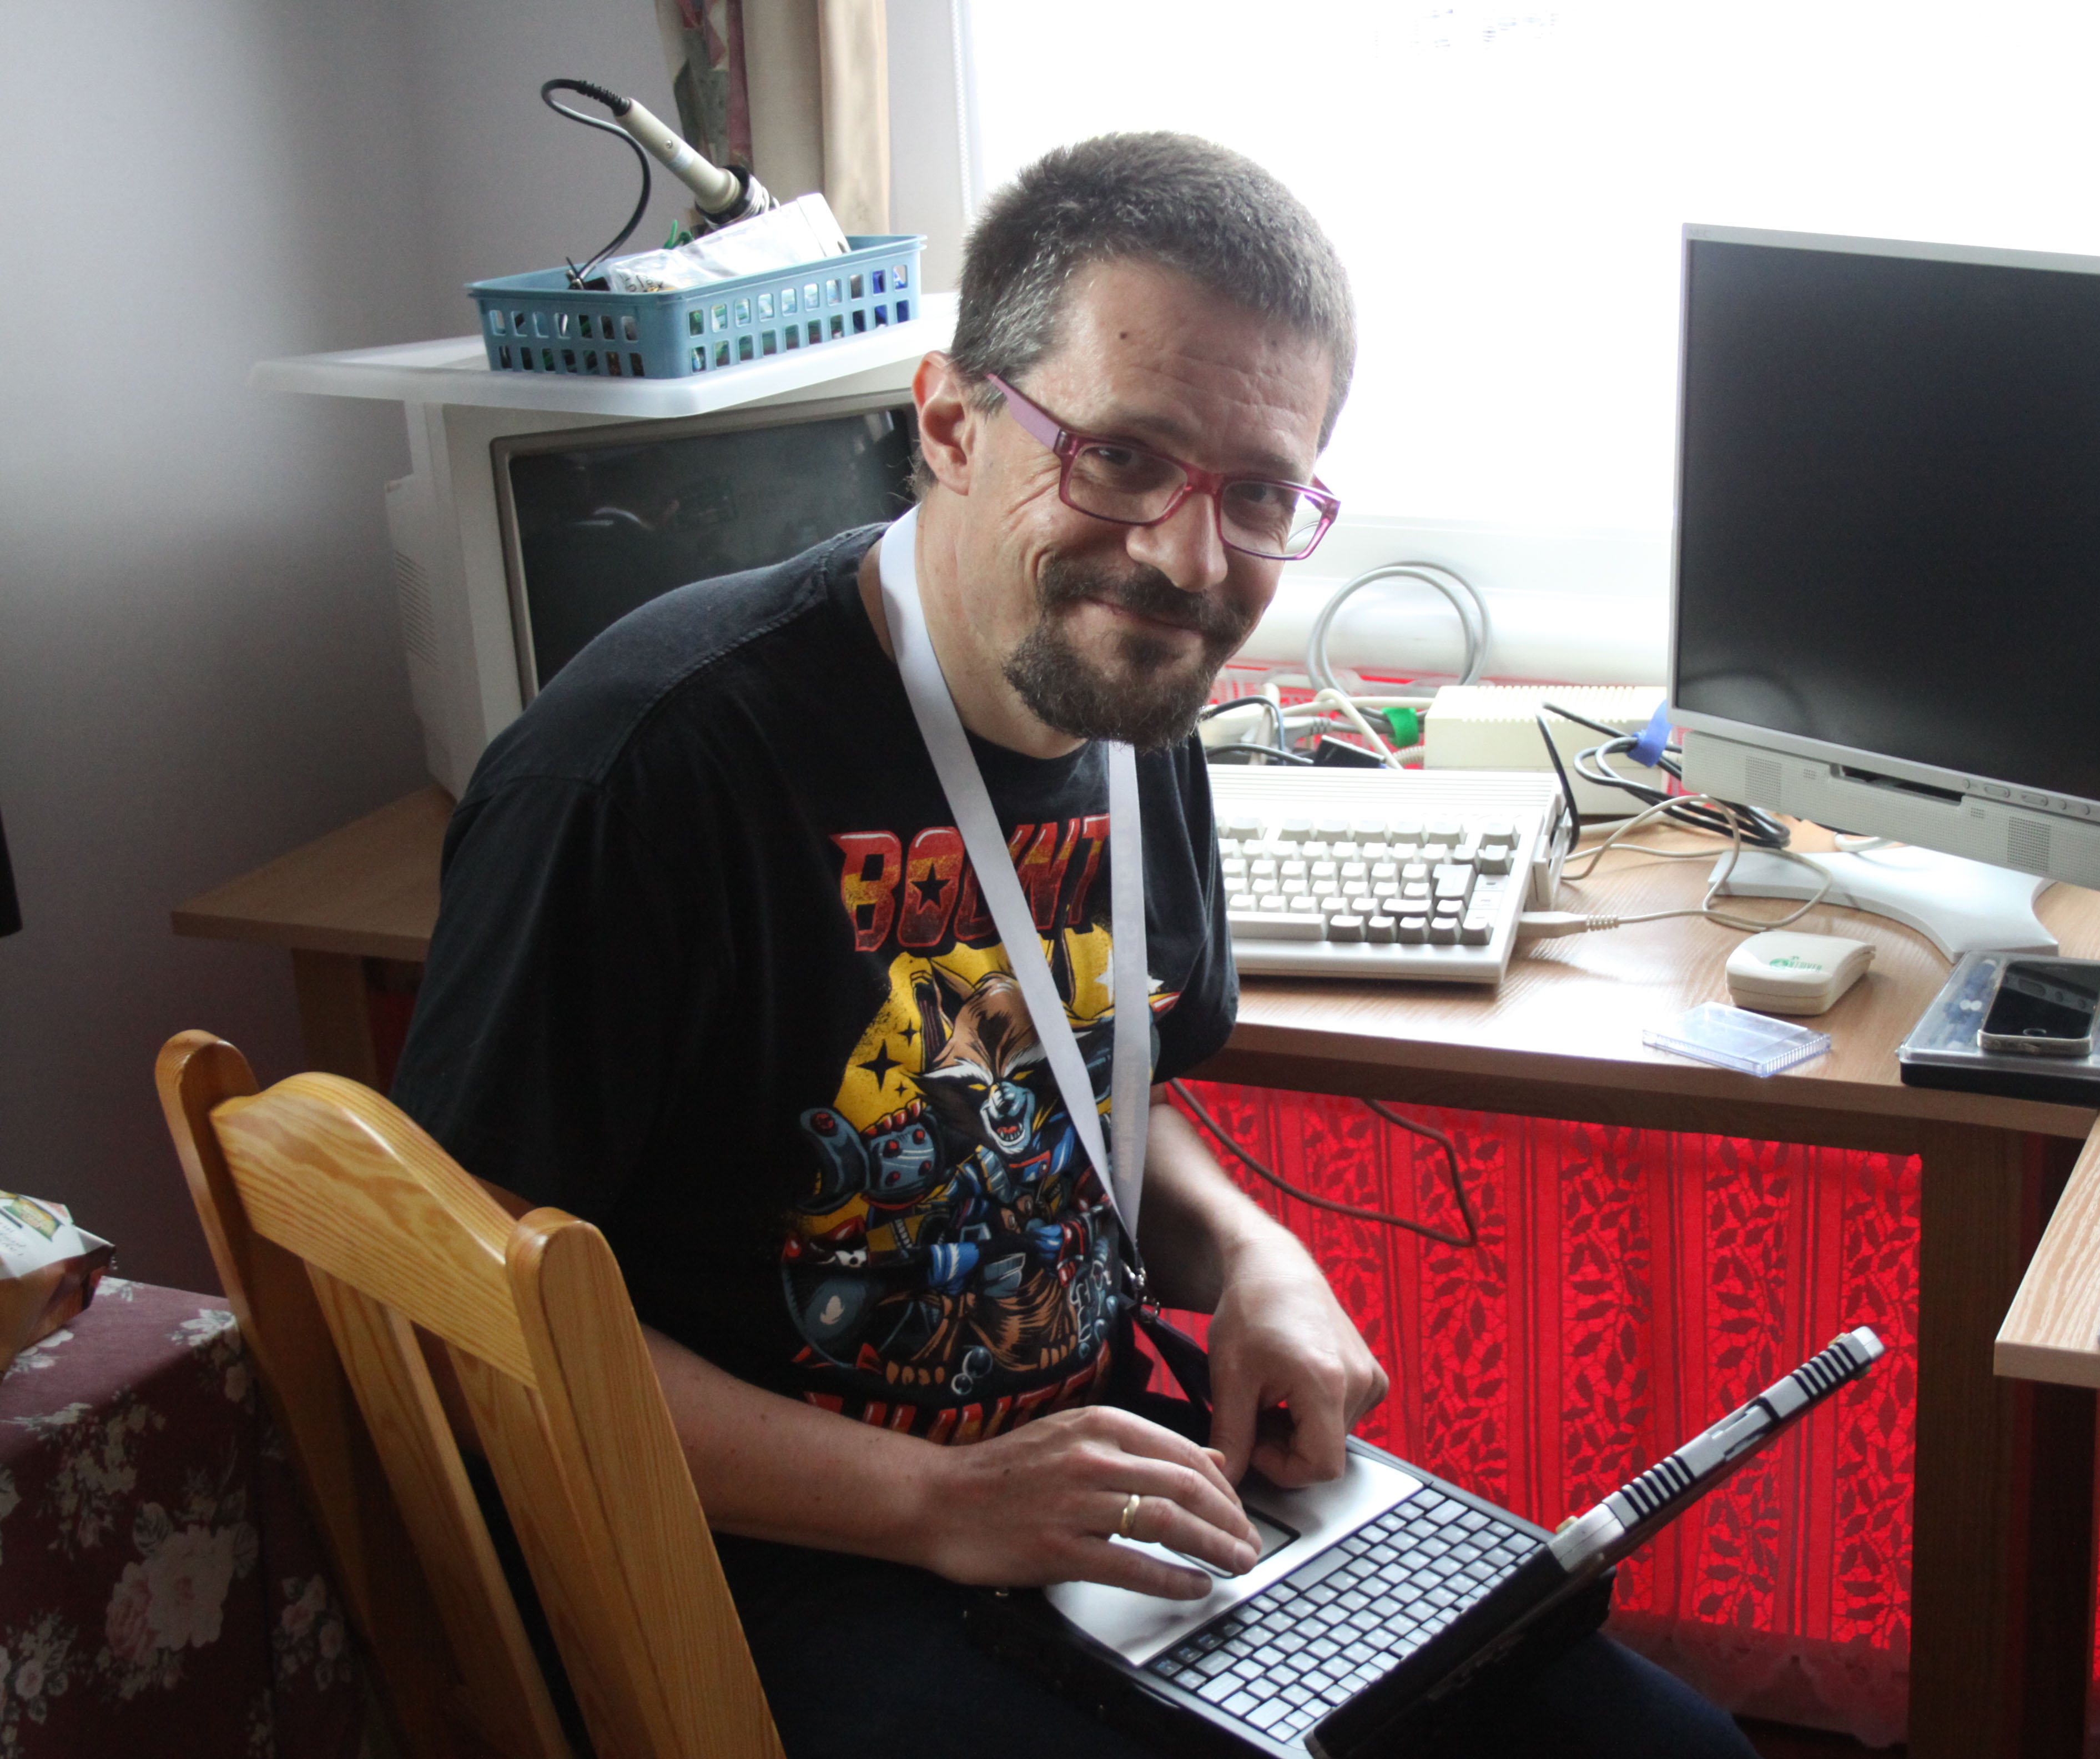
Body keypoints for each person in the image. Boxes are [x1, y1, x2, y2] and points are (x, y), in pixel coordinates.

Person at [393, 132, 1751, 1757]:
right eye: (1120, 457)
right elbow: (462, 1309)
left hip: (1087, 1494)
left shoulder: (1133, 706)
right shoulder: (641, 770)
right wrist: (936, 1500)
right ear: (950, 426)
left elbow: (1103, 1087)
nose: (1189, 560)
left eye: (1259, 494)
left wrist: (1252, 1255)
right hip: (760, 1553)